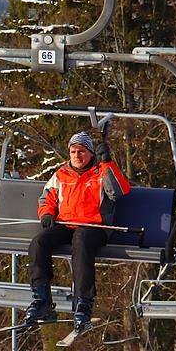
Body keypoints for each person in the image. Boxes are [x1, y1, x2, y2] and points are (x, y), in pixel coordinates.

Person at [24, 131, 131, 334]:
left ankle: (84, 303)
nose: (76, 156)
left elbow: (120, 190)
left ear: (90, 153)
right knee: (39, 242)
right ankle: (42, 299)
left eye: (81, 151)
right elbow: (46, 197)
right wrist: (47, 213)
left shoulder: (100, 172)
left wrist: (107, 163)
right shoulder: (61, 174)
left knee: (81, 241)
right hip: (66, 224)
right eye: (73, 151)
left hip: (95, 227)